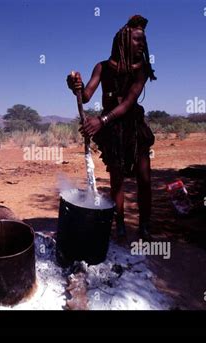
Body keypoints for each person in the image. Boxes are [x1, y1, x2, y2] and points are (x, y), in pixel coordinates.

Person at [67, 15, 157, 240]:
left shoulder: (142, 69)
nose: (142, 45)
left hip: (134, 129)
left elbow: (128, 104)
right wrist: (74, 86)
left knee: (144, 179)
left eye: (143, 41)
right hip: (113, 133)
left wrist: (101, 121)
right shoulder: (102, 67)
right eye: (137, 40)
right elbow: (86, 95)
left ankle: (145, 225)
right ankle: (120, 226)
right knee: (117, 180)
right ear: (124, 40)